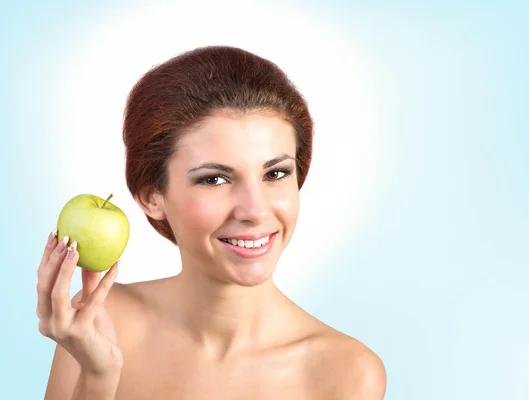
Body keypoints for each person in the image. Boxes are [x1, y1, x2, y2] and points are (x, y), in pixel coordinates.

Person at [37, 45, 387, 399]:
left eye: (276, 173)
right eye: (215, 179)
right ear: (152, 196)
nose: (255, 210)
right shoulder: (103, 321)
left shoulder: (346, 373)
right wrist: (98, 375)